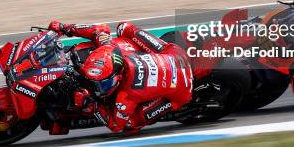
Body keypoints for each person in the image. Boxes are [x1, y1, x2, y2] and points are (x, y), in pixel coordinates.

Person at [47, 20, 193, 133]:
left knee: (132, 124)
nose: (99, 89)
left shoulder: (125, 97)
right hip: (174, 53)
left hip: (182, 89)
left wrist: (94, 106)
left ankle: (173, 102)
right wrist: (65, 28)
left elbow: (116, 126)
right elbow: (99, 29)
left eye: (103, 85)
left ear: (117, 77)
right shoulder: (109, 46)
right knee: (124, 28)